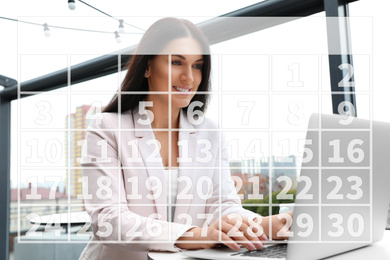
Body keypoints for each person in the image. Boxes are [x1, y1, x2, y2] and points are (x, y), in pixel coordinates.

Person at [78, 17, 291, 260]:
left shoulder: (209, 132)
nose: (189, 77)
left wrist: (262, 225)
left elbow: (222, 203)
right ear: (147, 67)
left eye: (197, 66)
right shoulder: (106, 127)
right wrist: (198, 235)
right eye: (176, 62)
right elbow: (109, 219)